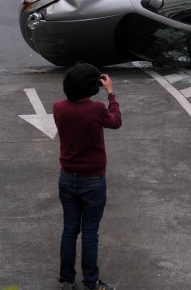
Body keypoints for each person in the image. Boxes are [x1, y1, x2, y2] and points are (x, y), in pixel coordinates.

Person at [54, 63, 122, 290]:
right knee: (90, 232)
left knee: (69, 229)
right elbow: (116, 121)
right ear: (93, 87)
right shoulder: (97, 109)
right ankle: (91, 282)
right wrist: (111, 93)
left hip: (66, 177)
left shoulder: (59, 107)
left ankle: (66, 279)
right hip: (92, 179)